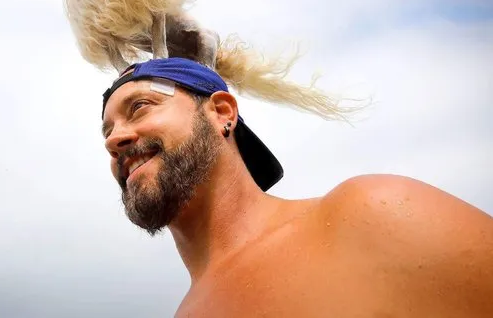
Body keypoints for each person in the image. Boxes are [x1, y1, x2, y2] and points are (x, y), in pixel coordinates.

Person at [100, 57, 493, 317]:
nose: (114, 139)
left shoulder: (372, 214)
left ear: (222, 112)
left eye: (140, 107)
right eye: (107, 129)